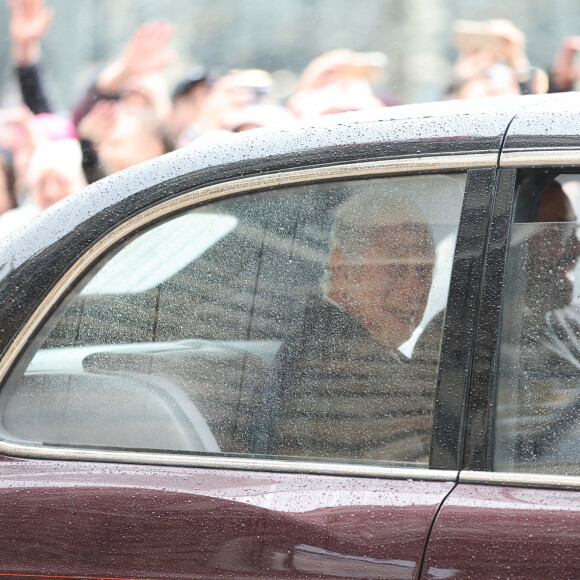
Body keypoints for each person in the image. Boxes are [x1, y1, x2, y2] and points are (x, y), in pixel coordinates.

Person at [258, 189, 441, 463]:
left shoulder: (352, 348)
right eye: (394, 265)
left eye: (424, 269)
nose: (413, 290)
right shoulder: (338, 363)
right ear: (342, 268)